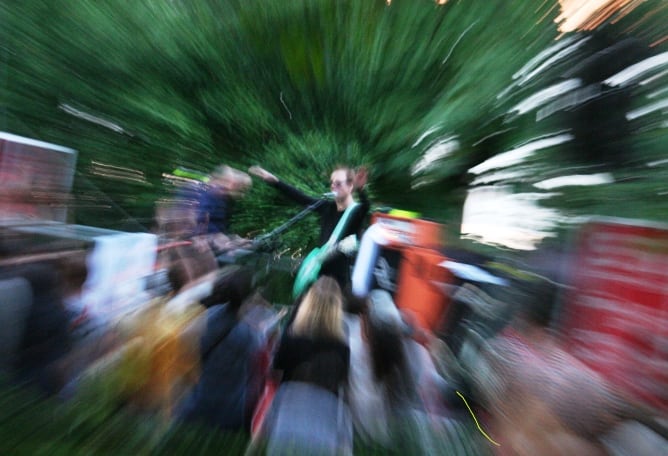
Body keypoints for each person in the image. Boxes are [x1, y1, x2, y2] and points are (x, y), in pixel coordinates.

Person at [258, 276, 352, 455]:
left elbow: (275, 373)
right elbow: (342, 384)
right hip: (325, 416)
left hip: (288, 408)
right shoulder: (342, 345)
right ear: (337, 306)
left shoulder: (292, 335)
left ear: (309, 300)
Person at [249, 164, 370, 293]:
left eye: (338, 183)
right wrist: (276, 182)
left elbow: (365, 207)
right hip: (318, 271)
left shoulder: (356, 211)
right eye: (332, 183)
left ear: (351, 186)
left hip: (337, 280)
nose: (333, 186)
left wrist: (361, 190)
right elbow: (300, 197)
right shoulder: (326, 206)